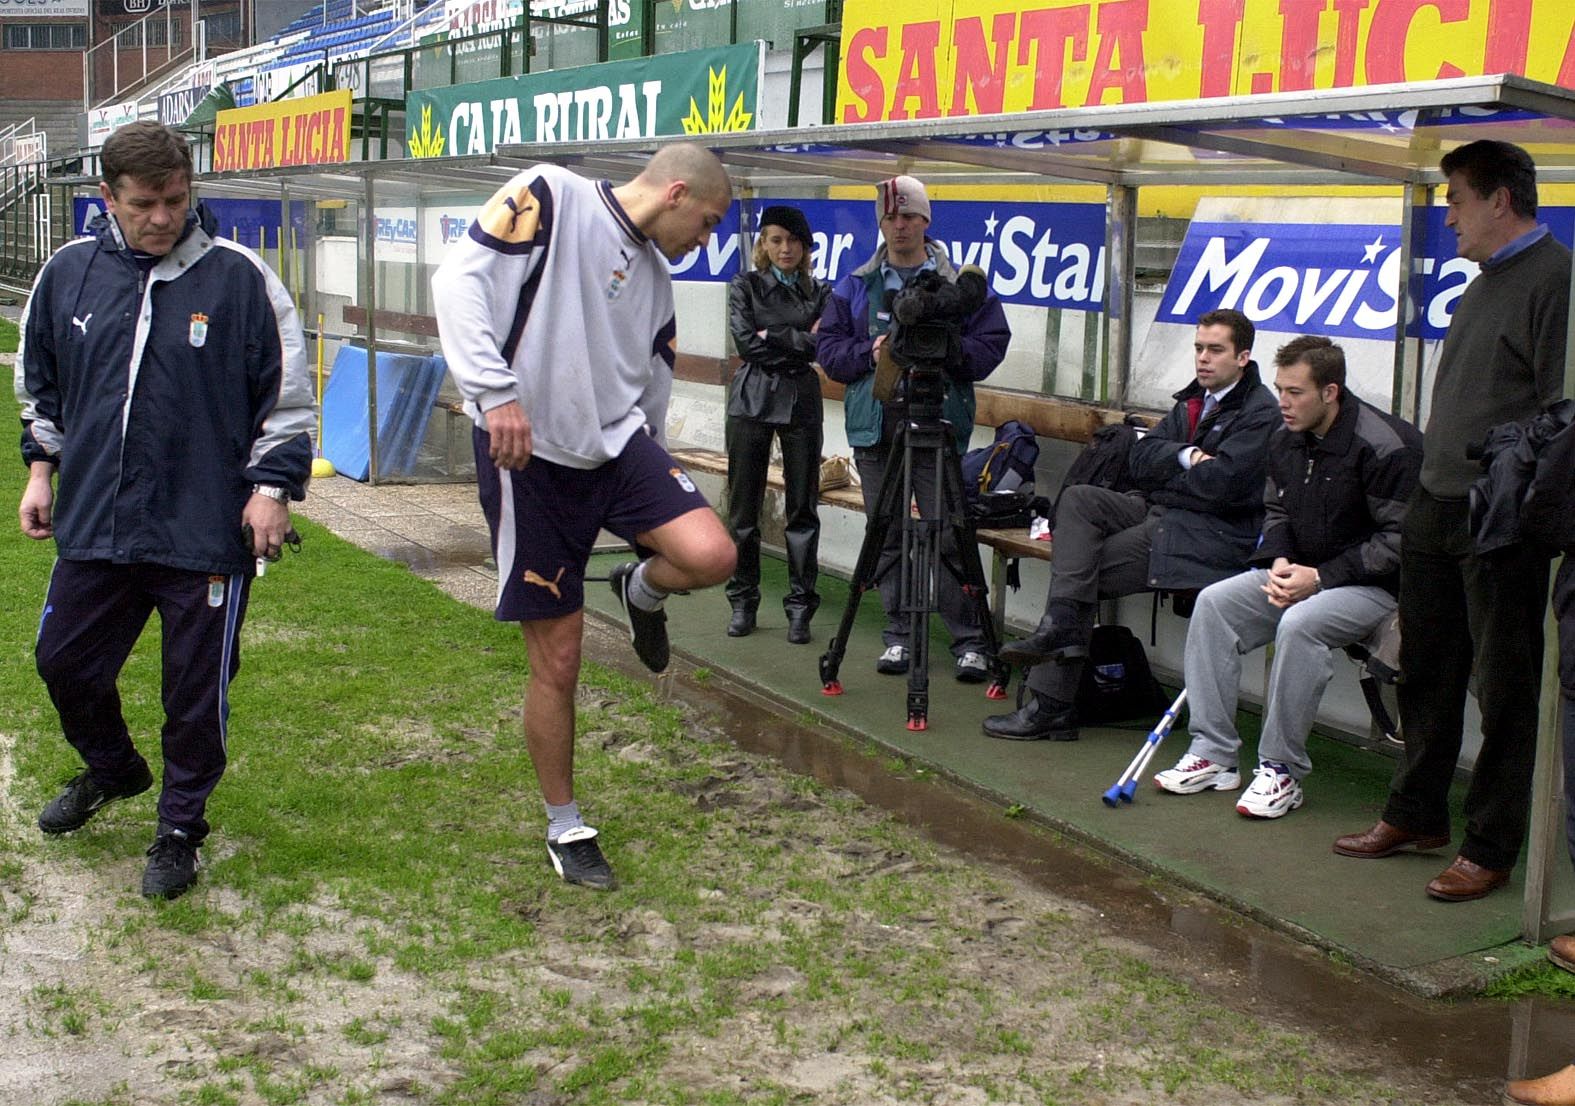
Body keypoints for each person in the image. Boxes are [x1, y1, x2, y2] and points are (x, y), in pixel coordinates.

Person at [16, 121, 313, 900]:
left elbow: (285, 401)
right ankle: (114, 770)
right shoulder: (67, 275)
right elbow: (41, 390)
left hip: (204, 528)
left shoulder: (242, 281)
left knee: (193, 692)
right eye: (144, 204)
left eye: (176, 201)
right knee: (64, 663)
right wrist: (40, 473)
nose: (161, 217)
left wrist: (270, 491)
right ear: (107, 198)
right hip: (95, 522)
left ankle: (180, 827)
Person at [431, 143, 737, 892]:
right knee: (559, 658)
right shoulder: (550, 195)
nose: (707, 240)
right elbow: (458, 283)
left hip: (620, 449)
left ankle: (641, 589)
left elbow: (654, 383)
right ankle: (566, 824)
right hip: (527, 456)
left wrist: (658, 472)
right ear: (675, 193)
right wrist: (493, 392)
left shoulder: (658, 284)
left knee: (711, 554)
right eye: (708, 222)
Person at [1333, 140, 1569, 903]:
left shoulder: (1555, 280)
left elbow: (1556, 415)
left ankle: (1491, 845)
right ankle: (1415, 814)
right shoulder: (1481, 282)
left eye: (1456, 200)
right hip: (1436, 503)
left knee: (1500, 685)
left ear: (1500, 199)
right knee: (1424, 666)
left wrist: (1510, 493)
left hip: (1497, 516)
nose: (1447, 216)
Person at [1153, 336, 1422, 816]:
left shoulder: (1387, 447)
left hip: (1378, 589)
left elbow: (1400, 543)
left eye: (1295, 392)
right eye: (1279, 389)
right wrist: (1276, 558)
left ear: (1330, 392)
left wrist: (1318, 578)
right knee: (1215, 603)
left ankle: (1280, 771)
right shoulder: (1285, 437)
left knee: (1302, 625)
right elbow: (1276, 509)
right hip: (1301, 574)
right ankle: (1214, 754)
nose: (1283, 403)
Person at [983, 309, 1279, 741]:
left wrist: (1173, 471)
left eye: (1216, 350)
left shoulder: (1260, 413)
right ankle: (1057, 653)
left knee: (1077, 577)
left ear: (1243, 357)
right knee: (1081, 500)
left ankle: (1052, 704)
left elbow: (1224, 488)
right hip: (1162, 511)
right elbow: (1140, 461)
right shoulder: (1195, 398)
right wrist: (1189, 457)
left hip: (1206, 533)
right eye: (1199, 347)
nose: (1203, 358)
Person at [815, 175, 1011, 683]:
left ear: (926, 220)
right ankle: (898, 636)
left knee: (949, 532)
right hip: (877, 426)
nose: (899, 225)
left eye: (909, 216)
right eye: (890, 216)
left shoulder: (958, 284)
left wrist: (951, 353)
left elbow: (992, 343)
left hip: (940, 419)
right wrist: (871, 352)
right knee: (889, 536)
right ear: (880, 222)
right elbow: (829, 351)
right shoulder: (857, 282)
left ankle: (969, 641)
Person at [724, 205, 829, 644]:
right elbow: (746, 343)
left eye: (792, 240)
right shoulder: (743, 285)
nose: (784, 248)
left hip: (802, 401)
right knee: (744, 509)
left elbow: (823, 345)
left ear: (805, 246)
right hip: (750, 399)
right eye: (775, 239)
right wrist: (798, 341)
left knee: (803, 508)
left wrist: (779, 337)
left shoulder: (821, 291)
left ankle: (800, 608)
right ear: (763, 246)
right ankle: (743, 602)